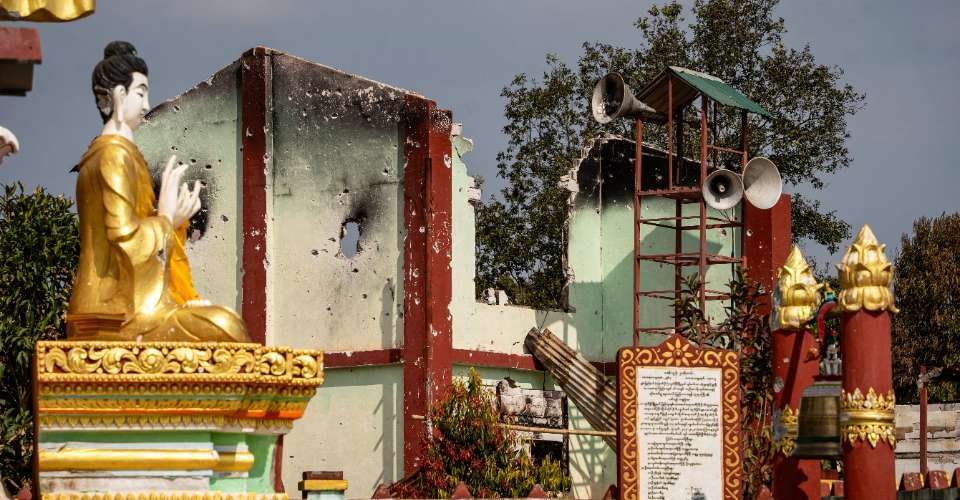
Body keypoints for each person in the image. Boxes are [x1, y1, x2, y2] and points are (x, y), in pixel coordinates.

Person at [67, 41, 249, 342]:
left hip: (129, 305)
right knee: (225, 328)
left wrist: (173, 220)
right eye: (140, 93)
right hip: (114, 313)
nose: (146, 105)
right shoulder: (112, 156)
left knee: (227, 324)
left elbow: (138, 230)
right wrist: (166, 218)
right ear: (119, 95)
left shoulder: (122, 155)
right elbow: (126, 239)